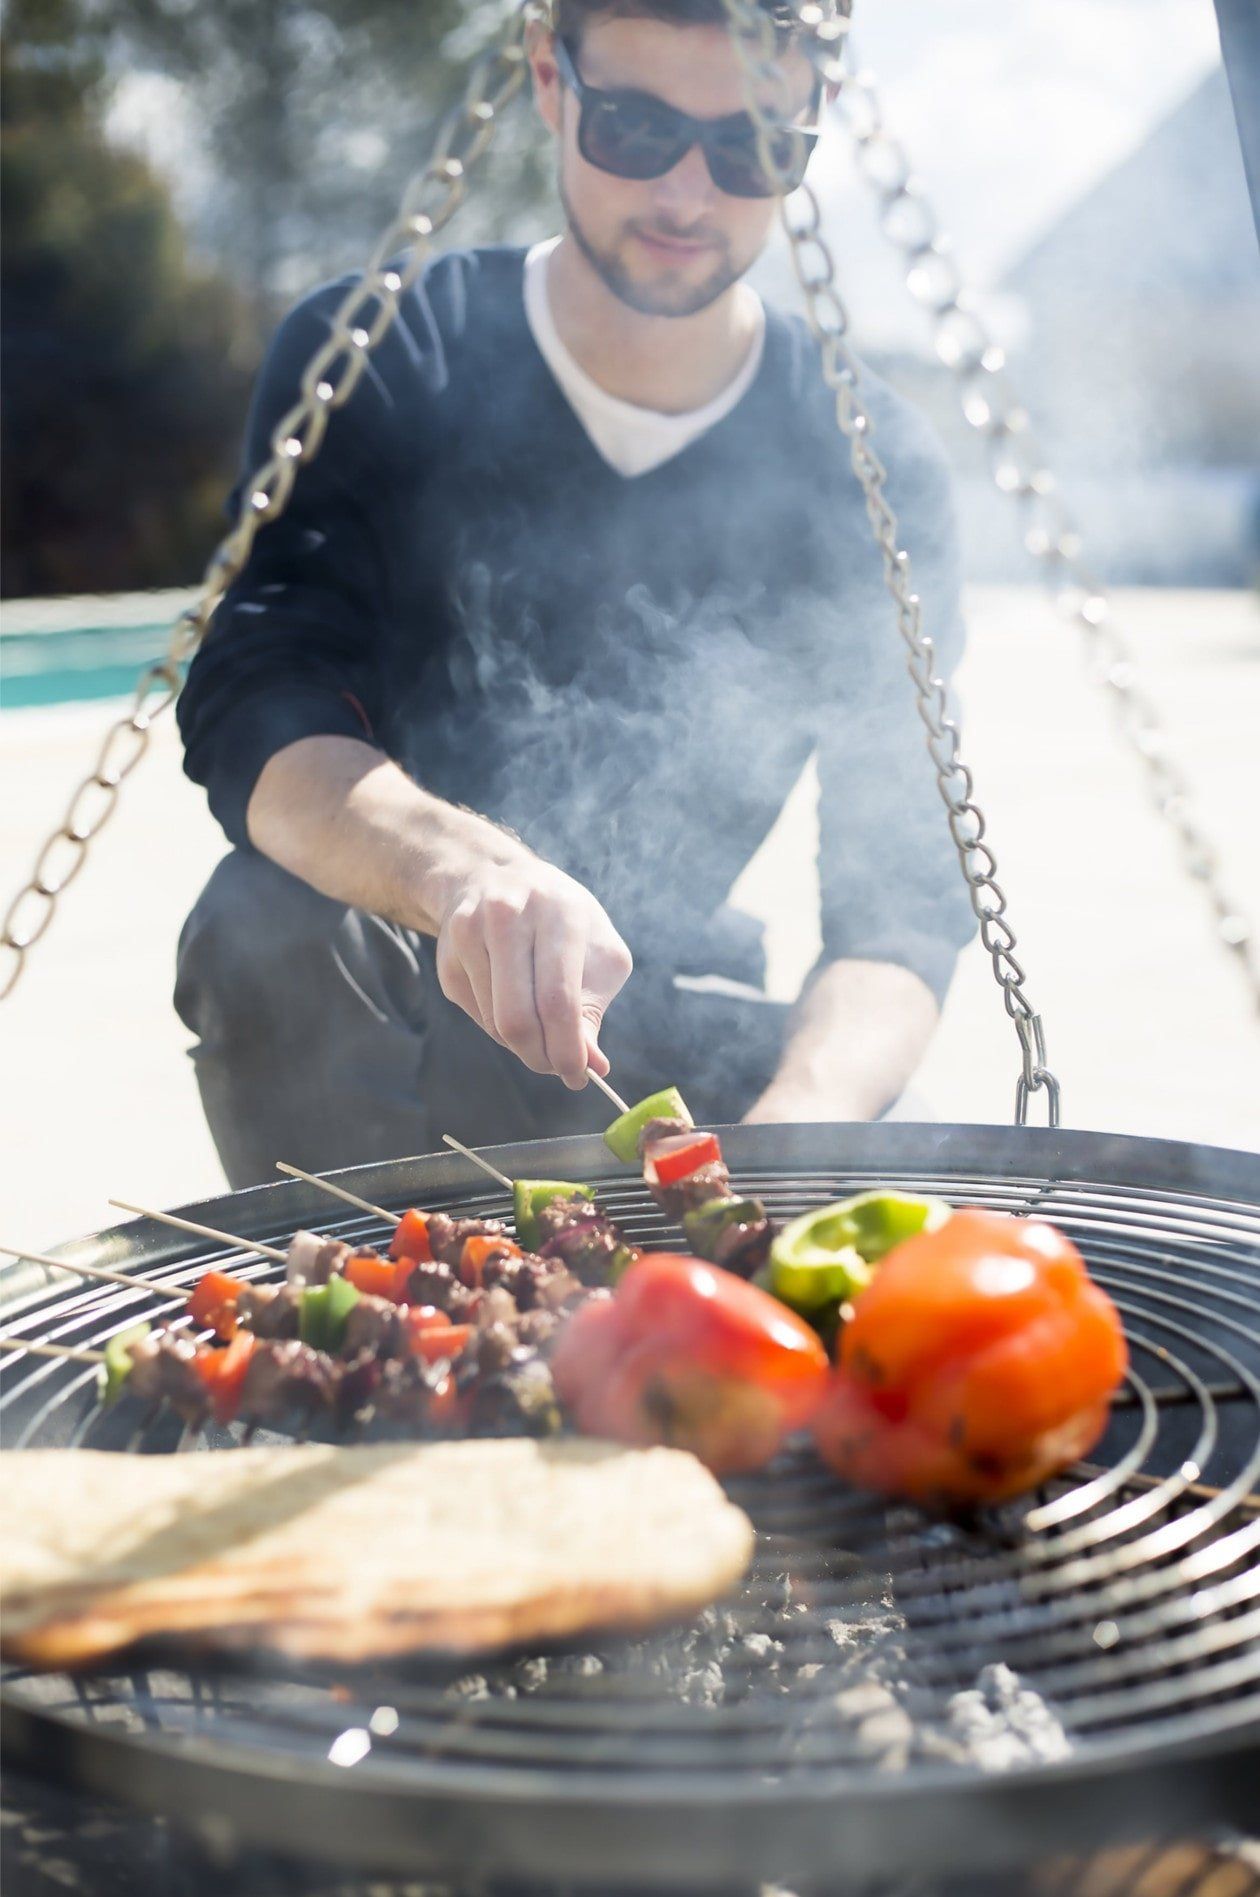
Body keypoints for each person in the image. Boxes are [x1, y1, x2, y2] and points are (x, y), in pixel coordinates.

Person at [174, 0, 975, 1189]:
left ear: (818, 125)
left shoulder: (871, 462)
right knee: (260, 924)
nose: (687, 195)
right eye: (638, 130)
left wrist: (786, 1142)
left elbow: (900, 904)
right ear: (551, 79)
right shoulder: (382, 350)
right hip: (385, 997)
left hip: (662, 1037)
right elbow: (257, 706)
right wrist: (471, 878)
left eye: (752, 146)